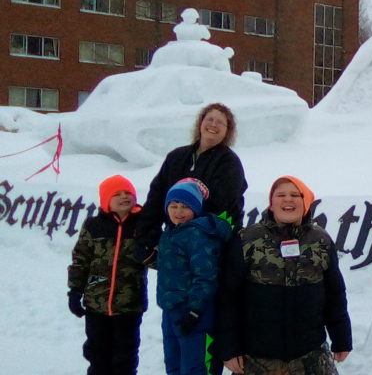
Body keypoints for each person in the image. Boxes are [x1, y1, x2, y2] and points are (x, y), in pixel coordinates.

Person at [215, 176, 352, 375]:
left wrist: (341, 338)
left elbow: (335, 293)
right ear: (271, 204)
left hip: (310, 356)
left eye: (295, 195)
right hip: (257, 357)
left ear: (305, 202)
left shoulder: (320, 240)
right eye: (281, 195)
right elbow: (228, 297)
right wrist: (228, 348)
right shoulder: (247, 239)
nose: (288, 199)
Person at [136, 102, 248, 264]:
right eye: (209, 119)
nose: (213, 125)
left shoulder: (229, 163)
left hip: (212, 247)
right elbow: (156, 197)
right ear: (200, 123)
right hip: (174, 244)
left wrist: (192, 235)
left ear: (227, 131)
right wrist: (146, 237)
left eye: (220, 122)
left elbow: (223, 205)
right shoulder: (176, 157)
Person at [67, 174, 147, 375]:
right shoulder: (94, 225)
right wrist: (75, 292)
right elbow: (81, 260)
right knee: (97, 354)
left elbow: (155, 256)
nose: (124, 197)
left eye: (128, 193)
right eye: (117, 194)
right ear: (106, 200)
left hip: (129, 306)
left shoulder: (142, 225)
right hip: (96, 305)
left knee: (125, 356)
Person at [156, 179, 232, 375]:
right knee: (173, 365)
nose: (178, 212)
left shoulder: (198, 234)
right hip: (171, 309)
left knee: (195, 368)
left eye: (184, 206)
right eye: (173, 206)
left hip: (195, 313)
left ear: (196, 209)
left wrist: (195, 310)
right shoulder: (170, 233)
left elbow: (205, 275)